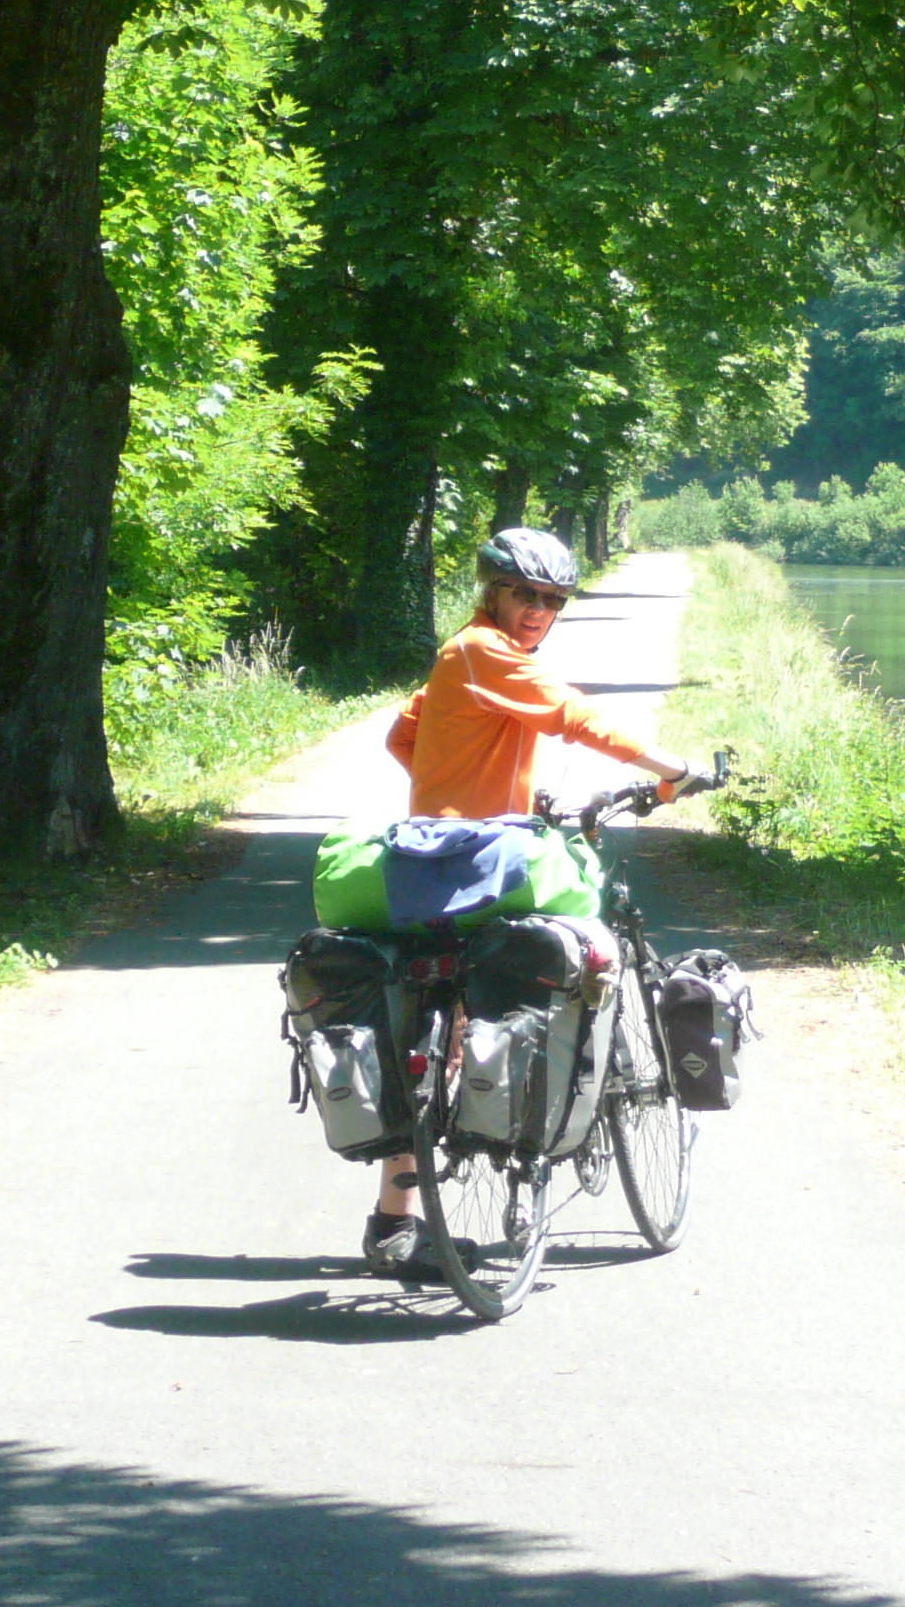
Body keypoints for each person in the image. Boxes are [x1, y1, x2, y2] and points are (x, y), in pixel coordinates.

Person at [367, 525, 688, 1275]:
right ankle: (520, 1154)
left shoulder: (460, 654)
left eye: (552, 599)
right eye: (523, 594)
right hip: (479, 862)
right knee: (547, 974)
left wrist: (463, 791)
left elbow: (402, 737)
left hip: (434, 857)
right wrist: (673, 770)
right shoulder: (486, 651)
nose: (538, 609)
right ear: (493, 591)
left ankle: (393, 1223)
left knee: (435, 1030)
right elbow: (575, 716)